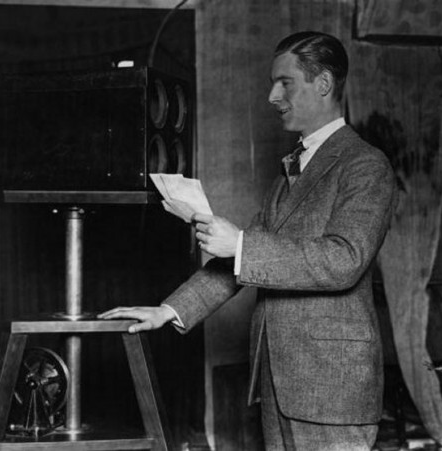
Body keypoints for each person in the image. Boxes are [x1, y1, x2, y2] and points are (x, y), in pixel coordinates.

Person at [99, 31, 397, 451]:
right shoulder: (291, 171)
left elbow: (344, 259)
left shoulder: (365, 165)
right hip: (281, 383)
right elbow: (240, 262)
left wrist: (240, 245)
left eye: (285, 83)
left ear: (324, 83)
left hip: (332, 390)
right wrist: (169, 310)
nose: (272, 97)